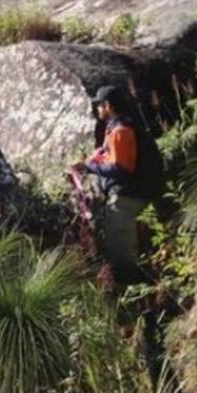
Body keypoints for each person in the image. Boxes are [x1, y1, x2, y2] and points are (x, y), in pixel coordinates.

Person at [72, 85, 150, 285]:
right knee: (124, 249)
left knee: (123, 254)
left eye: (99, 105)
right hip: (129, 195)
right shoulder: (120, 128)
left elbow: (121, 168)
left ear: (108, 106)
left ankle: (133, 299)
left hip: (125, 199)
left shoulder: (121, 131)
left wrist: (90, 168)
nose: (97, 109)